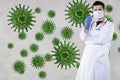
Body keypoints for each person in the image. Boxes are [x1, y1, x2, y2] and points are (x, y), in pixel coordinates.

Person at [75, 1, 114, 80]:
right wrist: (86, 27)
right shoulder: (90, 24)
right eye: (95, 10)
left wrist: (88, 37)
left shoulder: (109, 25)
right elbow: (82, 37)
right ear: (92, 11)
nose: (97, 11)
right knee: (85, 76)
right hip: (87, 56)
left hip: (100, 56)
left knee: (99, 76)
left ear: (104, 10)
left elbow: (101, 39)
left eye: (99, 9)